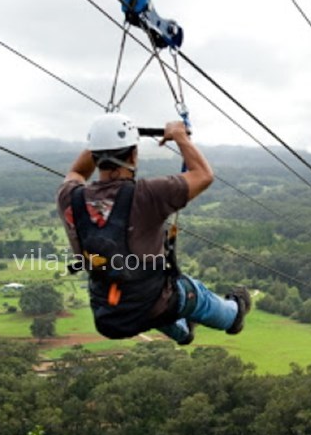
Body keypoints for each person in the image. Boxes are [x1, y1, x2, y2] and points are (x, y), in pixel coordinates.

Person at [56, 112, 250, 344]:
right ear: (134, 155)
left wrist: (101, 140)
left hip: (109, 314)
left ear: (94, 154)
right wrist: (180, 137)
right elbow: (203, 175)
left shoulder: (69, 197)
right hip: (153, 303)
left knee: (150, 298)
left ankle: (184, 332)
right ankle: (234, 314)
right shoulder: (147, 194)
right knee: (192, 293)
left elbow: (77, 172)